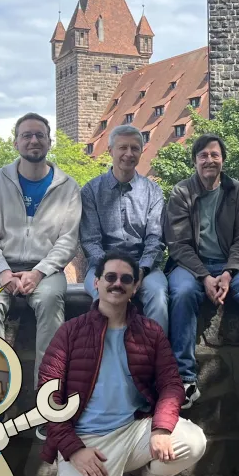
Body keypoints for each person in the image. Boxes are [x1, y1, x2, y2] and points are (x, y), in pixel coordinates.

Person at [39, 252, 208, 476]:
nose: (117, 283)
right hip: (85, 440)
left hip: (132, 431)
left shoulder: (150, 332)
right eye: (110, 277)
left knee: (193, 442)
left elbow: (171, 383)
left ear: (134, 287)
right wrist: (73, 449)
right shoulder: (70, 332)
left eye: (126, 279)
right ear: (96, 282)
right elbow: (48, 397)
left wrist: (161, 429)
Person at [164, 134, 239, 407]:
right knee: (182, 294)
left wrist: (228, 272)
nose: (209, 160)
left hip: (231, 263)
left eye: (215, 155)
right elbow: (178, 244)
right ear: (195, 161)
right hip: (191, 265)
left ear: (223, 159)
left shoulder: (238, 191)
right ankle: (184, 378)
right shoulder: (181, 193)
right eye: (203, 155)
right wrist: (204, 276)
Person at [0, 113, 81, 379]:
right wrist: (2, 272)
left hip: (46, 270)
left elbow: (68, 240)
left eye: (40, 135)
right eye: (26, 135)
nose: (34, 140)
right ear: (16, 143)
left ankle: (47, 390)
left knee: (50, 301)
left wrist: (39, 272)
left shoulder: (68, 187)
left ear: (49, 142)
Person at [80, 125, 168, 330]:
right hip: (101, 266)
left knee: (159, 296)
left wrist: (141, 271)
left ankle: (158, 349)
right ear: (110, 150)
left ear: (141, 152)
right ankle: (104, 347)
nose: (129, 153)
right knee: (102, 297)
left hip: (142, 265)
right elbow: (90, 241)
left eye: (134, 148)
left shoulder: (153, 191)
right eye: (123, 148)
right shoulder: (91, 191)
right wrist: (110, 271)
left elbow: (155, 238)